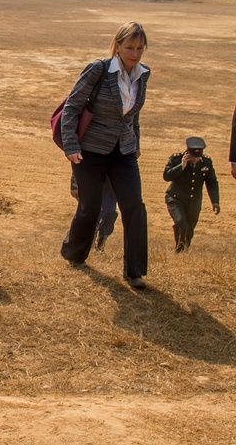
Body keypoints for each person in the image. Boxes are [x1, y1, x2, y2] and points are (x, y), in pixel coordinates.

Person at [61, 21, 150, 289]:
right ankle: (74, 254)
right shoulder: (99, 69)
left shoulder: (143, 74)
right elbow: (72, 107)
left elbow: (133, 113)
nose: (135, 54)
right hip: (90, 150)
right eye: (130, 47)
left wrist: (135, 143)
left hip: (123, 151)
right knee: (91, 205)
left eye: (140, 48)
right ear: (118, 45)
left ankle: (135, 271)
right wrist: (71, 146)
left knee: (134, 204)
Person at [163, 137, 220, 252]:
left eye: (198, 156)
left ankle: (184, 249)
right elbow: (167, 176)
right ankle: (179, 249)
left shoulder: (206, 162)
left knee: (189, 228)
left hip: (194, 202)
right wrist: (181, 166)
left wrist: (215, 201)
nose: (195, 159)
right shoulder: (176, 159)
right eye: (193, 156)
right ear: (187, 152)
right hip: (175, 199)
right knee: (180, 222)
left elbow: (212, 183)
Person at [69, 175, 118, 251]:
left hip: (110, 187)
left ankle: (101, 243)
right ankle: (90, 245)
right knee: (93, 215)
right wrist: (74, 185)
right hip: (92, 184)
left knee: (110, 214)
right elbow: (79, 164)